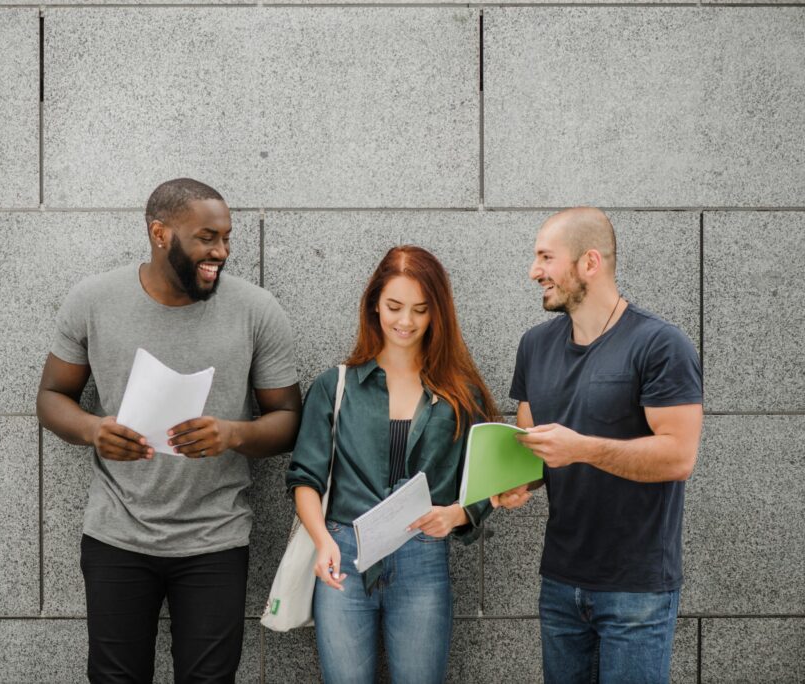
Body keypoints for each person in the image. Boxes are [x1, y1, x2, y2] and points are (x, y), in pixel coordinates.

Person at [36, 178, 301, 683]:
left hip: (215, 539)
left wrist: (233, 435)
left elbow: (289, 418)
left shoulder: (256, 310)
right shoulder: (93, 300)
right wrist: (94, 429)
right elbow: (51, 398)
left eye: (226, 237)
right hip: (117, 534)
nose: (220, 251)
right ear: (160, 233)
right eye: (207, 237)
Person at [495, 207, 703, 684]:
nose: (535, 272)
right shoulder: (535, 346)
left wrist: (583, 449)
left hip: (637, 590)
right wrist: (512, 483)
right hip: (560, 583)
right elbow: (531, 449)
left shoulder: (660, 344)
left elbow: (679, 456)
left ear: (590, 262)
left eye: (546, 257)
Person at [286, 245, 498, 684]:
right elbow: (304, 478)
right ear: (374, 306)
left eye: (420, 310)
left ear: (437, 313)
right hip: (343, 551)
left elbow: (488, 479)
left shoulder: (462, 394)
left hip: (423, 557)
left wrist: (456, 514)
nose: (406, 322)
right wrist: (323, 541)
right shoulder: (335, 386)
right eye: (394, 307)